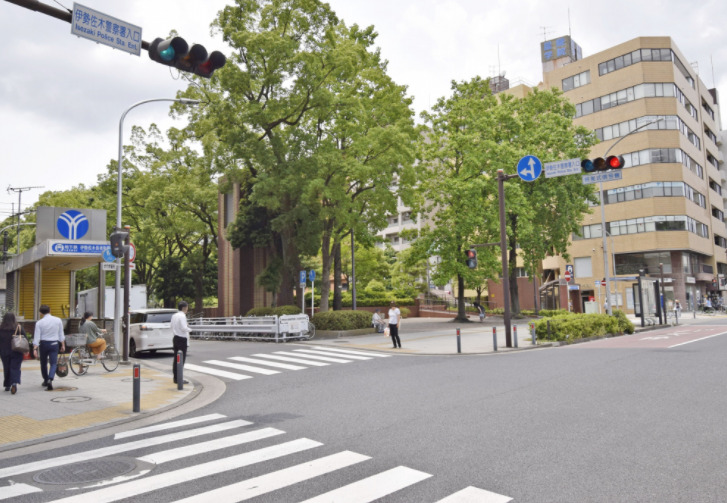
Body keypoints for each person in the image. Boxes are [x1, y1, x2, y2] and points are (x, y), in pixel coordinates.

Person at [33, 304, 66, 391]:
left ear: (40, 313)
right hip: (54, 344)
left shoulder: (39, 323)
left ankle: (45, 379)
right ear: (50, 310)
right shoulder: (58, 320)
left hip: (43, 344)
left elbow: (37, 337)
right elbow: (61, 334)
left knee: (43, 363)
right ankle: (50, 379)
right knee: (53, 363)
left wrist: (35, 348)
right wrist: (62, 344)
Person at [0, 312, 26, 395]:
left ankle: (7, 385)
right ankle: (14, 383)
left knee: (6, 367)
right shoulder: (18, 327)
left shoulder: (1, 328)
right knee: (15, 367)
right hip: (17, 351)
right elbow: (25, 338)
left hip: (4, 351)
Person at [171, 301, 192, 385]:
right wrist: (190, 329)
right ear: (185, 308)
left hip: (175, 338)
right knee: (181, 360)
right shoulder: (182, 316)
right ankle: (179, 379)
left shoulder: (174, 315)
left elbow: (171, 326)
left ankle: (176, 378)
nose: (187, 309)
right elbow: (184, 328)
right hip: (182, 338)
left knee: (176, 359)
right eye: (187, 307)